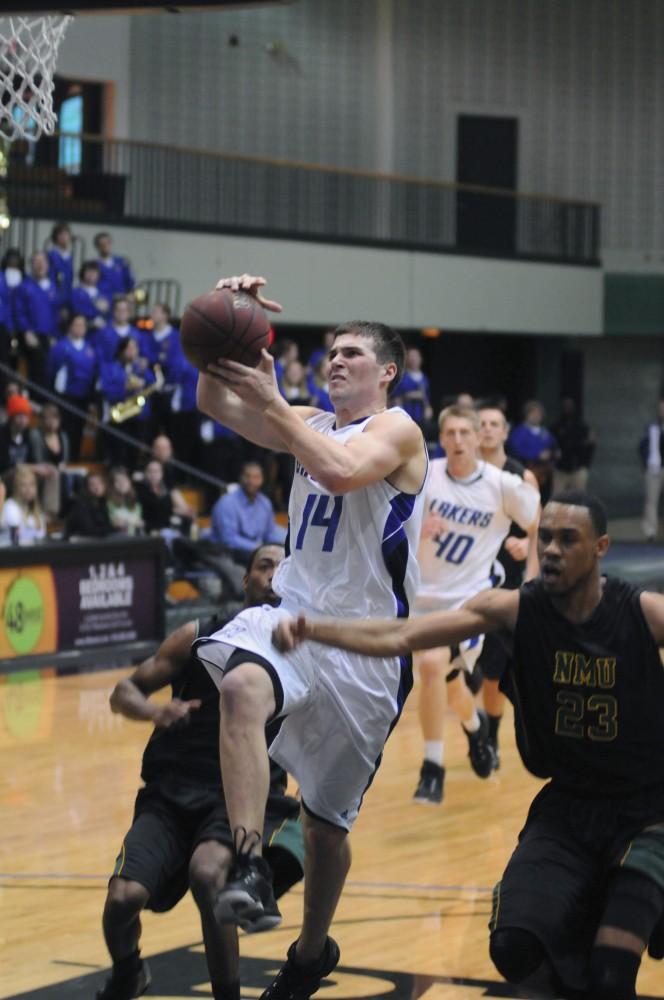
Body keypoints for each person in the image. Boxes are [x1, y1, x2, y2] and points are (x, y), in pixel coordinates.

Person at [275, 491, 664, 1000]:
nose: (550, 549)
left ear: (601, 548)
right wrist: (315, 629)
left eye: (568, 539)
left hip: (646, 812)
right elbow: (403, 635)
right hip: (567, 808)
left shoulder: (641, 614)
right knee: (514, 948)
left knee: (612, 971)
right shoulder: (513, 611)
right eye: (544, 537)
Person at [195, 273, 428, 998]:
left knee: (328, 828)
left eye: (351, 353)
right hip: (291, 615)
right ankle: (251, 864)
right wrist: (226, 318)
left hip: (365, 649)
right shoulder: (306, 418)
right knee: (239, 684)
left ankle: (310, 952)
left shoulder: (399, 430)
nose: (334, 361)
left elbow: (339, 471)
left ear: (385, 371)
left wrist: (276, 407)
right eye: (329, 352)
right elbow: (210, 398)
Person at [97, 544, 304, 1000]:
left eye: (281, 567)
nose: (272, 575)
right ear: (246, 580)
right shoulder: (197, 634)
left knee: (208, 873)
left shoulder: (301, 647)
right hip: (169, 794)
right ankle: (129, 973)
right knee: (122, 899)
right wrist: (154, 710)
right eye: (263, 566)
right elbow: (123, 690)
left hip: (237, 800)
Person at [411, 405, 539, 804]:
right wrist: (418, 528)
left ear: (477, 437)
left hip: (470, 602)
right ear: (443, 438)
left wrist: (533, 576)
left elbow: (541, 523)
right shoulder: (425, 474)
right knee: (447, 684)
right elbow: (392, 524)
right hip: (420, 597)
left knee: (432, 666)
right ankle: (475, 729)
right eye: (451, 432)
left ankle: (432, 769)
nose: (460, 439)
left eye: (466, 431)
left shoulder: (502, 484)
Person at [476, 404, 540, 765]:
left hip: (508, 584)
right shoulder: (461, 474)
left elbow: (538, 533)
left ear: (504, 432)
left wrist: (528, 557)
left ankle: (491, 736)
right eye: (481, 423)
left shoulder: (521, 477)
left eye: (494, 424)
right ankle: (478, 726)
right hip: (466, 581)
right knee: (458, 664)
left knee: (495, 668)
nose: (486, 429)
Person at [48, 313, 99, 461]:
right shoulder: (60, 347)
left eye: (83, 325)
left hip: (83, 397)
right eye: (77, 324)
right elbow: (51, 373)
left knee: (78, 430)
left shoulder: (90, 349)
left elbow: (93, 374)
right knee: (64, 430)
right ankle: (62, 459)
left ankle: (74, 459)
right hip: (65, 397)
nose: (80, 328)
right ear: (70, 326)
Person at [210, 461, 286, 560]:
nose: (251, 481)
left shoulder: (265, 503)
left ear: (262, 479)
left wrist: (284, 545)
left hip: (258, 554)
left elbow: (270, 533)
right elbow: (228, 540)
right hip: (228, 555)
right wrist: (256, 547)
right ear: (241, 478)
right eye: (248, 476)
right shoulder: (227, 503)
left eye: (256, 477)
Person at [13, 250, 65, 387]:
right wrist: (26, 331)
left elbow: (56, 314)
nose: (40, 265)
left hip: (49, 337)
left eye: (42, 261)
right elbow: (19, 312)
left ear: (47, 265)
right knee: (34, 372)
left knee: (50, 372)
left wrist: (55, 335)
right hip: (31, 336)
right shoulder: (24, 287)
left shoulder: (54, 287)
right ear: (32, 265)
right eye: (36, 261)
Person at [507, 400, 558, 502]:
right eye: (533, 413)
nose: (536, 416)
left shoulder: (544, 432)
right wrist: (536, 455)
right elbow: (514, 450)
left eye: (539, 413)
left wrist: (553, 453)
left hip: (544, 473)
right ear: (527, 414)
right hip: (527, 470)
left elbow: (554, 447)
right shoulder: (519, 431)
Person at [551, 397, 596, 494]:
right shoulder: (557, 426)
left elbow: (590, 444)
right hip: (560, 468)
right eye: (565, 406)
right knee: (558, 498)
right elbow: (552, 445)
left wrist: (585, 465)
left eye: (570, 406)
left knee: (578, 498)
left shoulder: (582, 426)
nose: (568, 409)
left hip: (578, 467)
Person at [0, 464, 47, 545]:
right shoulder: (10, 507)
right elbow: (16, 537)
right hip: (11, 553)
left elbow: (41, 537)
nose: (28, 489)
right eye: (23, 485)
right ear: (16, 487)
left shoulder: (37, 511)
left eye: (32, 485)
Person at [639, 397, 664, 542]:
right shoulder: (652, 427)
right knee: (651, 501)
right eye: (661, 409)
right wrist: (646, 460)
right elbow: (642, 446)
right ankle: (650, 532)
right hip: (654, 468)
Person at [392, 346, 433, 433]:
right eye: (411, 357)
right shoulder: (402, 378)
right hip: (405, 416)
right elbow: (394, 398)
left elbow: (426, 398)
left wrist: (428, 408)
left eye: (416, 357)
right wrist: (408, 396)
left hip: (421, 418)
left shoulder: (424, 378)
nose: (414, 360)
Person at [65, 471, 114, 540]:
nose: (97, 487)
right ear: (86, 487)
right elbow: (88, 529)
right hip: (82, 543)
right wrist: (113, 528)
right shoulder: (81, 503)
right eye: (92, 484)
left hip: (100, 539)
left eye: (100, 483)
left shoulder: (104, 501)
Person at [94, 231, 135, 301]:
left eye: (108, 243)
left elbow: (129, 282)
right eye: (102, 244)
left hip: (122, 302)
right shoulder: (94, 265)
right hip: (105, 302)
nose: (105, 246)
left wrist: (131, 294)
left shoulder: (121, 262)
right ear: (97, 247)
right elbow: (93, 287)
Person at [71, 260, 111, 331]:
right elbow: (78, 310)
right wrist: (97, 308)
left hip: (101, 331)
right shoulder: (76, 292)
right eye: (89, 271)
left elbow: (108, 311)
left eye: (95, 272)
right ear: (83, 273)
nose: (92, 274)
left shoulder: (103, 293)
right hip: (84, 330)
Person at [106, 466, 145, 536]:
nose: (122, 483)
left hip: (134, 538)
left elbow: (140, 522)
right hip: (117, 539)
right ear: (112, 484)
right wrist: (131, 522)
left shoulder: (136, 501)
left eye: (124, 480)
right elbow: (115, 523)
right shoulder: (109, 502)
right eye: (117, 481)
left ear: (129, 482)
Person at [47, 222, 75, 306]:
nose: (64, 237)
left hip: (67, 296)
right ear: (55, 237)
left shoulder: (69, 257)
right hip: (54, 297)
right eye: (61, 234)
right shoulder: (51, 255)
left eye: (66, 234)